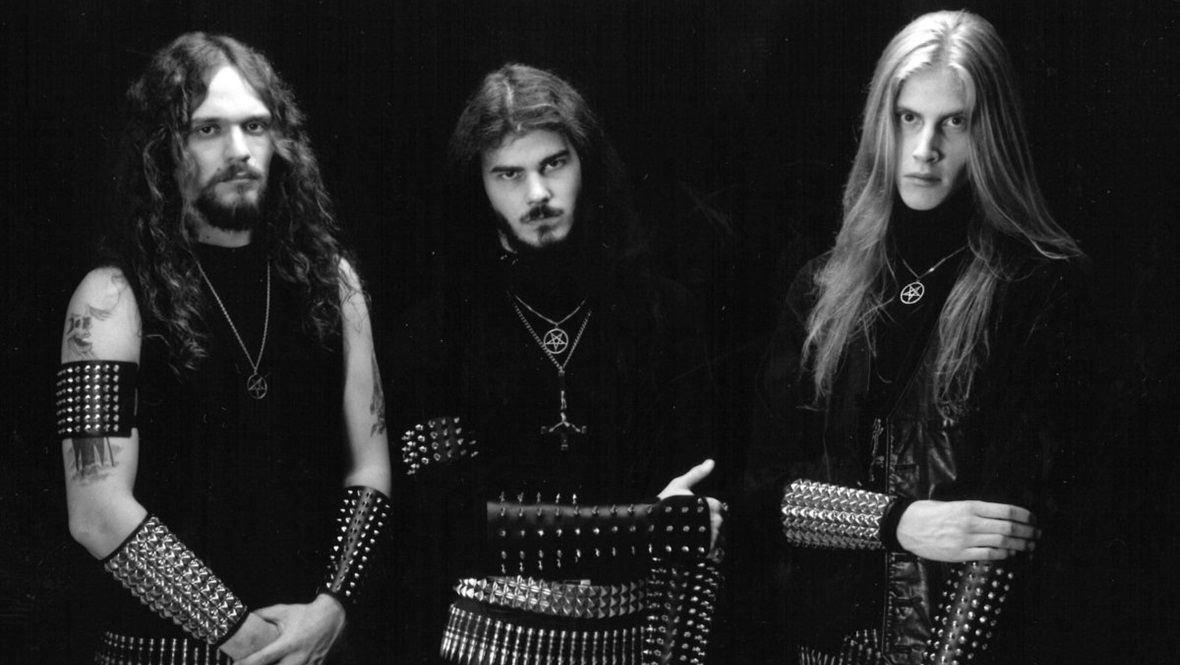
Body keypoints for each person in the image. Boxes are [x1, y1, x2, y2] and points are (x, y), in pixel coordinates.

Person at [743, 11, 1088, 664]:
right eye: (909, 117)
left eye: (953, 122)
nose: (925, 147)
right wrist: (897, 521)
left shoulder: (1035, 289)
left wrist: (830, 511)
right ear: (883, 121)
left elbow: (1011, 529)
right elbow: (760, 498)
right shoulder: (821, 287)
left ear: (989, 135)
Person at [56, 33, 392, 665]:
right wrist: (249, 641)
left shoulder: (334, 283)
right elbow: (96, 512)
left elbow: (369, 467)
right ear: (163, 147)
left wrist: (333, 607)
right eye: (208, 130)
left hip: (312, 645)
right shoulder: (110, 300)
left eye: (255, 126)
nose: (239, 150)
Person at [387, 63, 724, 664]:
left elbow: (701, 506)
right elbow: (441, 525)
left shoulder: (667, 313)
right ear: (479, 185)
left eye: (554, 164)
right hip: (489, 649)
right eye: (509, 174)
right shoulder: (433, 331)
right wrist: (640, 527)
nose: (537, 194)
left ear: (584, 163)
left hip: (637, 645)